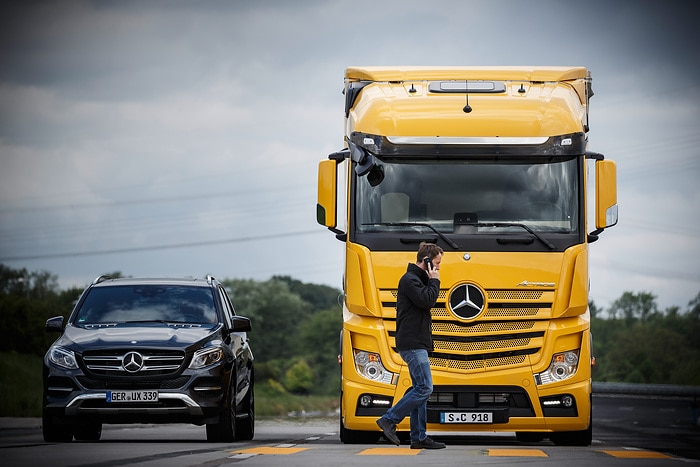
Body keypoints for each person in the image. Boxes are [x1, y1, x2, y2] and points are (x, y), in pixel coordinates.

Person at [376, 242, 446, 449]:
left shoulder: (417, 280)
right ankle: (389, 419)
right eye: (437, 263)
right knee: (425, 387)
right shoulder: (410, 280)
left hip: (416, 342)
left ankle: (418, 437)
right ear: (426, 262)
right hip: (412, 343)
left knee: (419, 389)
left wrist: (430, 280)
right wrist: (435, 281)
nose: (439, 268)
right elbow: (427, 301)